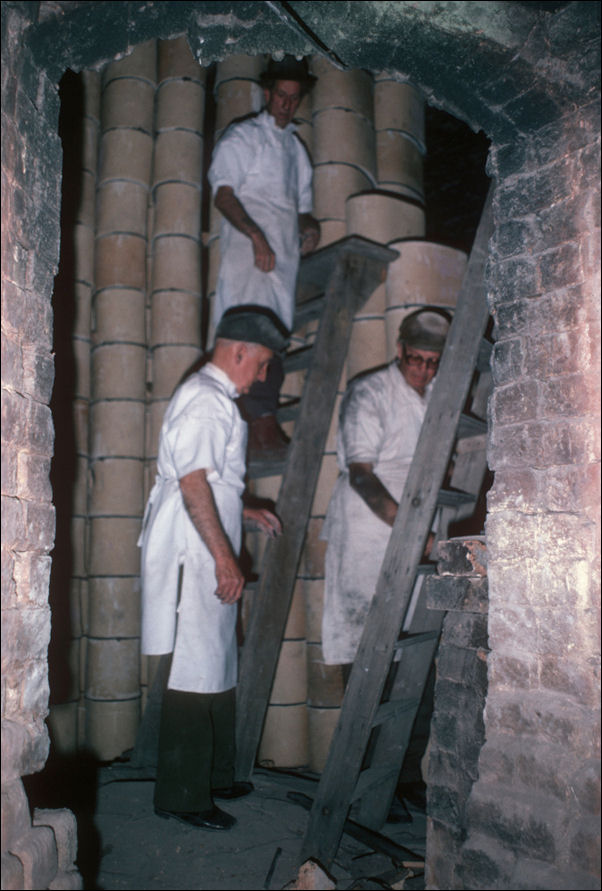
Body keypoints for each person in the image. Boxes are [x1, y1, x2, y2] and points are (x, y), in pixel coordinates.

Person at [138, 306, 288, 831]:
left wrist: (244, 510)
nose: (263, 375)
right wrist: (225, 557)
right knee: (194, 668)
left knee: (216, 661)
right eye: (263, 363)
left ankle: (216, 774)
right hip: (194, 548)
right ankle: (182, 794)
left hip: (207, 539)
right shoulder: (204, 399)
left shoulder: (218, 399)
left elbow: (209, 479)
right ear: (239, 351)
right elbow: (192, 484)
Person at [320, 307, 451, 816]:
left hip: (417, 527)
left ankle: (404, 777)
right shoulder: (370, 392)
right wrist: (408, 530)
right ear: (399, 351)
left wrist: (422, 532)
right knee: (369, 649)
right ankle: (368, 784)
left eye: (431, 362)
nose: (422, 370)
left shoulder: (439, 392)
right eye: (415, 360)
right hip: (370, 529)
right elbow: (362, 474)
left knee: (417, 655)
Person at [207, 55, 321, 460]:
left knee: (275, 341)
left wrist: (309, 227)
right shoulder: (243, 137)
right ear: (267, 93)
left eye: (294, 97)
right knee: (247, 334)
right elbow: (223, 195)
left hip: (283, 260)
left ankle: (262, 423)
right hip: (248, 254)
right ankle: (257, 424)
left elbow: (302, 205)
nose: (287, 104)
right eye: (281, 95)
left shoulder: (296, 150)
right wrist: (255, 236)